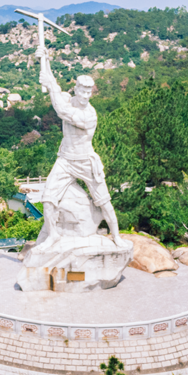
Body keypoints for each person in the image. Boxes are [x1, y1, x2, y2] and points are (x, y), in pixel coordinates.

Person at [37, 54, 129, 251]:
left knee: (104, 202)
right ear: (76, 89)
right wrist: (45, 60)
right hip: (65, 160)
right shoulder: (69, 101)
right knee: (48, 198)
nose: (86, 95)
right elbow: (55, 86)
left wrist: (51, 86)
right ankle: (52, 235)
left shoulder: (89, 115)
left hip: (85, 161)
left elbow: (61, 111)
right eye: (83, 90)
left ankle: (116, 236)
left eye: (89, 91)